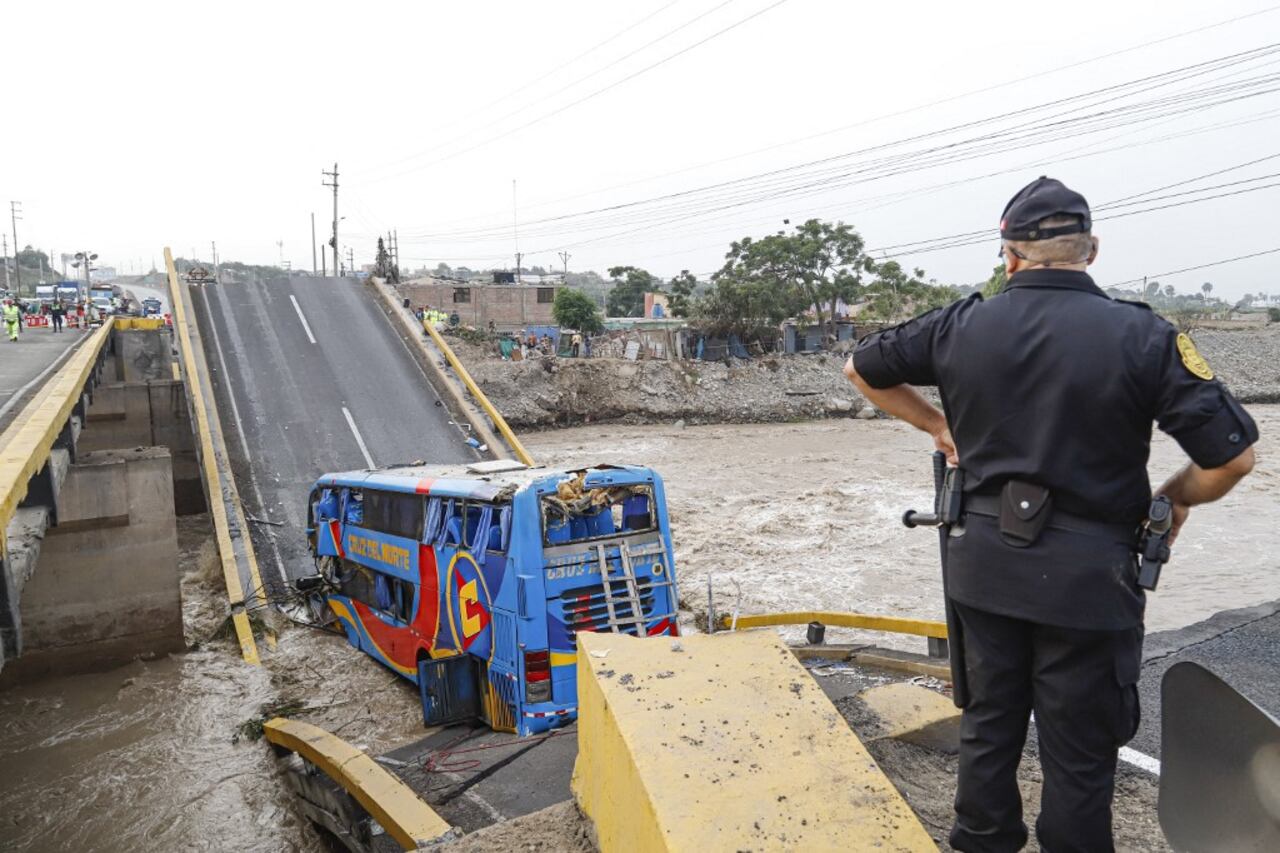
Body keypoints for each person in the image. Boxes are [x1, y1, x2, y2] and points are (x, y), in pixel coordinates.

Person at [843, 177, 1257, 852]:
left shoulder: (961, 323)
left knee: (988, 727)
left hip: (981, 572)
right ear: (1090, 250)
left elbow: (861, 368)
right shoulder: (1145, 336)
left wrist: (937, 426)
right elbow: (1233, 459)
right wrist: (1174, 498)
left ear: (1009, 256)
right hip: (1090, 585)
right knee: (1080, 756)